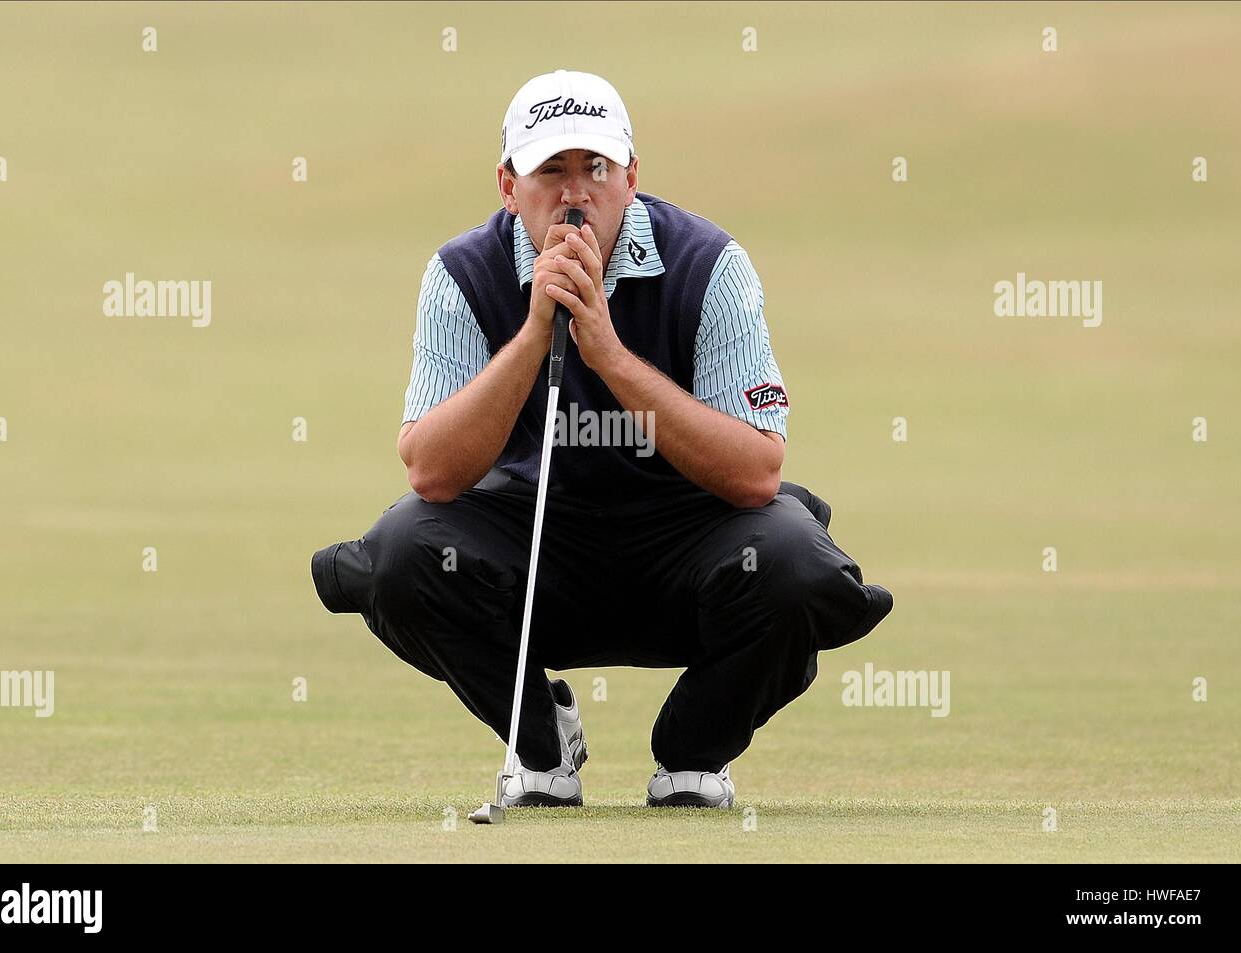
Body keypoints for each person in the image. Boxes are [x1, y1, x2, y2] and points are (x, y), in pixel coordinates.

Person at [311, 69, 892, 809]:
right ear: (507, 183)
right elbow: (431, 471)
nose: (575, 192)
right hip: (533, 551)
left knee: (795, 561)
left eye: (597, 168)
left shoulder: (710, 265)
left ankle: (694, 751)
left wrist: (609, 353)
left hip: (692, 547)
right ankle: (541, 743)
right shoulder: (461, 274)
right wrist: (533, 333)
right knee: (397, 553)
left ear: (632, 177)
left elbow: (755, 473)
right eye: (550, 169)